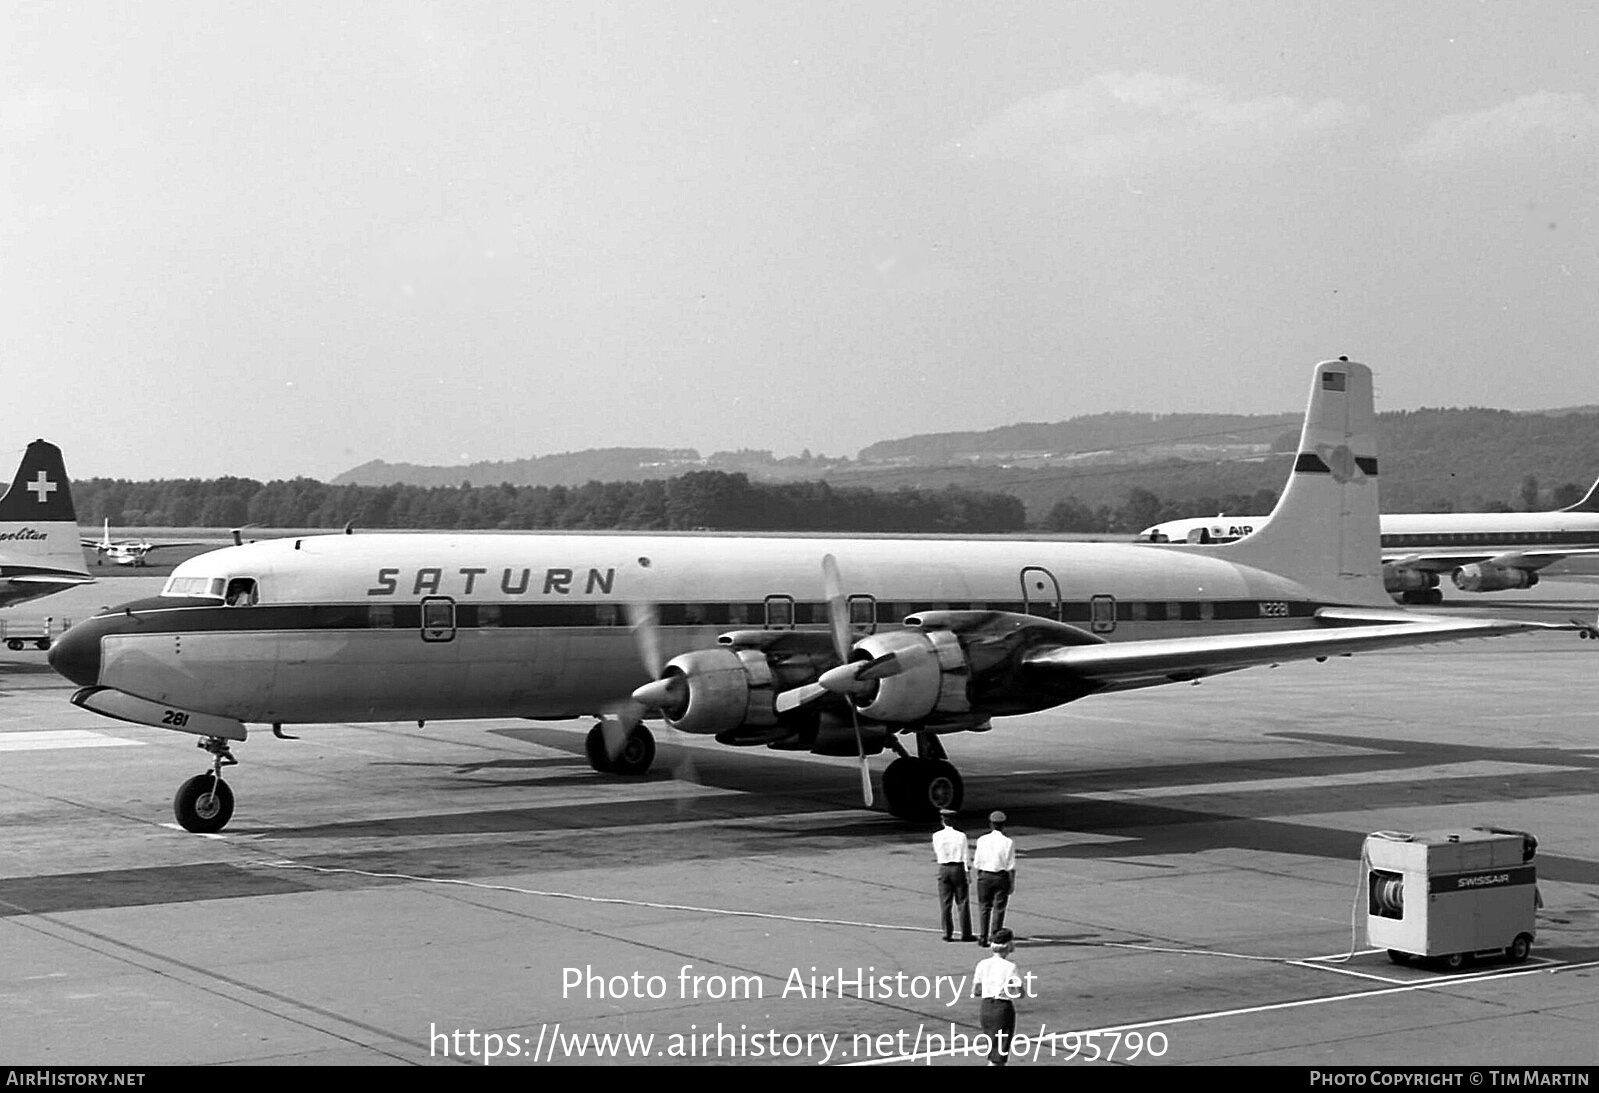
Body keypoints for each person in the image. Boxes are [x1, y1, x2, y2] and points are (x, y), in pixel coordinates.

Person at [971, 928, 1021, 1066]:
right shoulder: (1010, 967)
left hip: (986, 1007)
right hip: (1002, 1008)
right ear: (1008, 945)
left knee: (993, 1047)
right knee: (1000, 1051)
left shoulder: (982, 964)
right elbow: (1020, 992)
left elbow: (976, 990)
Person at [972, 810, 1016, 946]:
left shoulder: (982, 840)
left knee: (984, 907)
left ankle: (983, 937)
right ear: (1003, 826)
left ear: (991, 824)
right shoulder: (1008, 842)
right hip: (1001, 876)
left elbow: (977, 862)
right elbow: (1011, 866)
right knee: (999, 908)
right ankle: (995, 936)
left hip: (984, 876)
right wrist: (1012, 883)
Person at [932, 808, 976, 942]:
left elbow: (936, 851)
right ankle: (966, 933)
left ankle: (947, 932)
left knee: (945, 902)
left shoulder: (936, 835)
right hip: (958, 868)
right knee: (962, 901)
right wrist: (967, 872)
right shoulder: (961, 836)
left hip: (944, 868)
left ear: (942, 821)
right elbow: (965, 856)